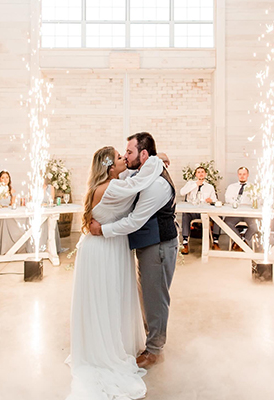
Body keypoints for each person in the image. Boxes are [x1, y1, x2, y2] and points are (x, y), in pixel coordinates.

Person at [66, 146, 163, 400]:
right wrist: (155, 160)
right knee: (106, 297)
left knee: (112, 296)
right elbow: (139, 183)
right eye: (120, 157)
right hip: (102, 250)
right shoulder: (110, 187)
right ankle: (103, 348)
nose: (124, 159)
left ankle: (108, 340)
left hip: (111, 245)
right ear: (110, 167)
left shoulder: (112, 183)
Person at [90, 132, 178, 369]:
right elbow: (127, 176)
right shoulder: (144, 171)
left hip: (159, 245)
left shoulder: (157, 184)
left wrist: (103, 230)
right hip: (148, 245)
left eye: (129, 152)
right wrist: (160, 156)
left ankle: (155, 351)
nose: (125, 156)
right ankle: (151, 342)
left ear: (143, 154)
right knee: (147, 295)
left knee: (155, 298)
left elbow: (135, 221)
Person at [179, 165, 220, 254]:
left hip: (205, 212)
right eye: (198, 172)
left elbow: (215, 201)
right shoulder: (190, 184)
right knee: (185, 214)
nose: (201, 174)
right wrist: (195, 184)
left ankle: (215, 241)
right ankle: (185, 242)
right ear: (196, 175)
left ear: (205, 174)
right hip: (193, 211)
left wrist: (211, 200)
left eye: (202, 172)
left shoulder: (210, 187)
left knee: (217, 215)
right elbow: (182, 192)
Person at [0, 170, 27, 255]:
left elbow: (13, 204)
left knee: (16, 225)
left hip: (8, 214)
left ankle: (10, 248)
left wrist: (12, 198)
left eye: (7, 177)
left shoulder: (12, 190)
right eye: (3, 177)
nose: (5, 179)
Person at [224, 166, 258, 251]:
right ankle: (241, 241)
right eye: (240, 174)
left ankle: (243, 240)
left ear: (248, 175)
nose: (242, 176)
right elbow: (227, 199)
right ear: (237, 175)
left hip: (249, 214)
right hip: (235, 212)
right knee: (226, 223)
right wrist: (236, 203)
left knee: (255, 225)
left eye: (244, 174)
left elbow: (257, 201)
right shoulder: (231, 187)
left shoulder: (253, 187)